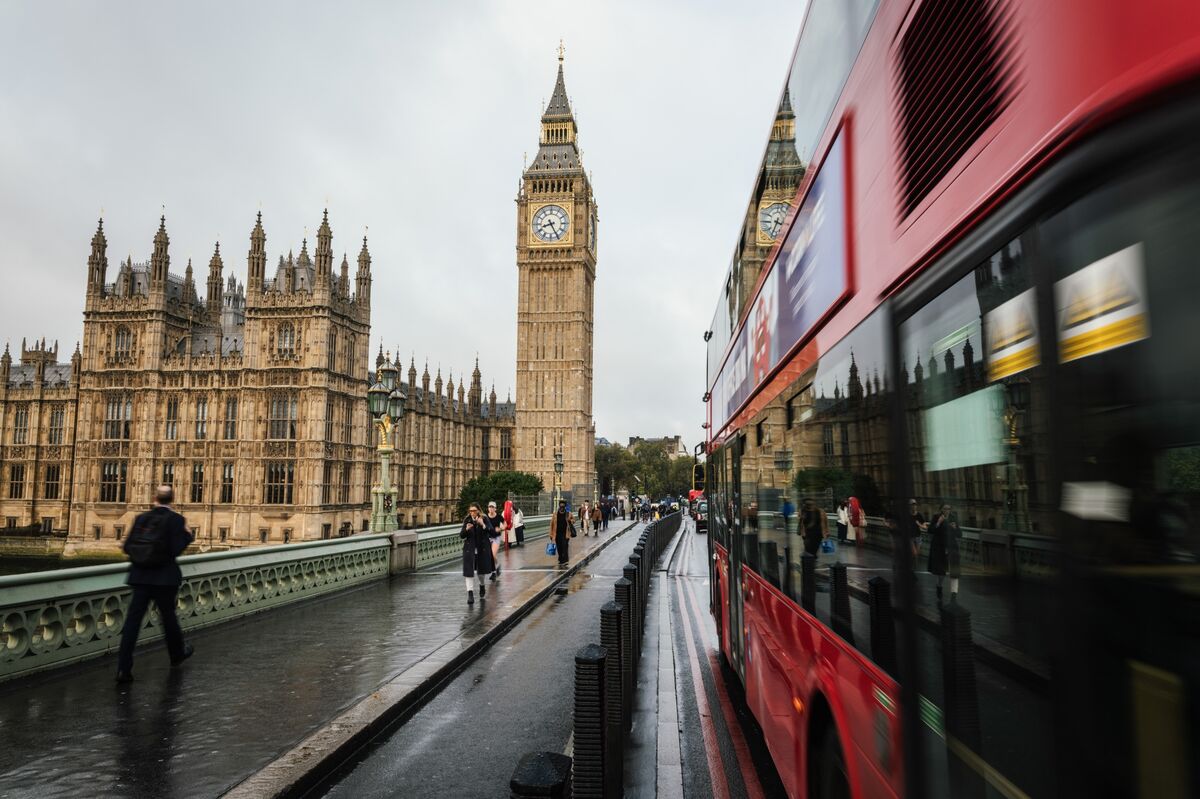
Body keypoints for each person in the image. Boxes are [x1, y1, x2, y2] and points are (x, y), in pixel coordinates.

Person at [115, 485, 195, 683]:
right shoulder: (176, 520)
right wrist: (188, 535)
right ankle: (177, 654)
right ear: (172, 499)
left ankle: (123, 669)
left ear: (154, 498)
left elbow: (126, 547)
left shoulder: (141, 518)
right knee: (169, 620)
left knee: (132, 624)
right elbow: (176, 549)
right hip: (164, 579)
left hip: (139, 577)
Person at [461, 503, 495, 604]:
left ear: (478, 510)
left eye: (474, 510)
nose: (472, 513)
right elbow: (461, 535)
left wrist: (483, 525)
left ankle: (482, 585)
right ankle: (470, 594)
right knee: (469, 572)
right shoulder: (467, 520)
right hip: (469, 550)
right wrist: (466, 529)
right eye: (471, 511)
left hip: (482, 549)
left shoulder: (484, 518)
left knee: (481, 572)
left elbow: (492, 532)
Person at [928, 503, 962, 603]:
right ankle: (939, 586)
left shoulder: (953, 518)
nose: (947, 510)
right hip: (940, 549)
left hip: (952, 548)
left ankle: (954, 595)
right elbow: (930, 530)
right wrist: (938, 523)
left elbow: (960, 534)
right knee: (941, 573)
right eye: (945, 509)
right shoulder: (936, 517)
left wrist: (955, 528)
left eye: (949, 509)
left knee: (955, 572)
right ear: (941, 509)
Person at [550, 499, 576, 565]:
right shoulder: (555, 514)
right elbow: (552, 524)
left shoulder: (568, 513)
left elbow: (574, 520)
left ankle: (565, 559)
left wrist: (570, 520)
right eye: (560, 506)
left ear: (565, 507)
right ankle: (560, 558)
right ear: (559, 506)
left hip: (565, 533)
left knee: (565, 546)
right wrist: (551, 534)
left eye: (563, 506)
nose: (561, 508)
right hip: (557, 533)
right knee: (559, 547)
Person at [485, 501, 506, 580]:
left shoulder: (499, 517)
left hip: (496, 538)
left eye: (492, 507)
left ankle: (494, 572)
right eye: (489, 507)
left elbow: (505, 524)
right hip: (487, 538)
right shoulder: (485, 517)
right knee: (489, 556)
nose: (491, 509)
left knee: (492, 555)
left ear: (495, 509)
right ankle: (496, 568)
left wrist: (500, 529)